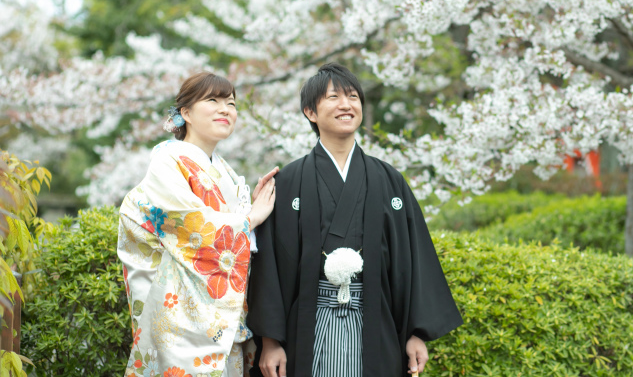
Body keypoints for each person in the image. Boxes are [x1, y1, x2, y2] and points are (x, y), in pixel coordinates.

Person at [247, 63, 462, 377]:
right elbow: (269, 267)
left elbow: (413, 259)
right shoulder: (289, 181)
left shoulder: (388, 179)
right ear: (310, 112)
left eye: (352, 96)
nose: (346, 105)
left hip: (376, 321)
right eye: (333, 97)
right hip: (306, 324)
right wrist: (270, 340)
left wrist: (416, 333)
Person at [118, 72, 279, 377]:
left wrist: (248, 209)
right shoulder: (167, 160)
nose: (225, 109)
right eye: (213, 100)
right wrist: (250, 218)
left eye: (231, 103)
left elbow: (234, 234)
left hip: (222, 319)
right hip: (181, 318)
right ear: (186, 113)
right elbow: (192, 226)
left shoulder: (226, 172)